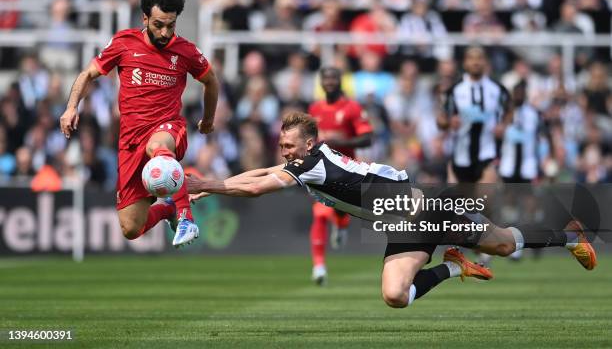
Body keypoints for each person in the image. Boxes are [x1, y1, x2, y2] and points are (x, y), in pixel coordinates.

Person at [186, 112, 597, 308]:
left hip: (429, 208)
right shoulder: (309, 162)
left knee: (504, 245)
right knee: (394, 295)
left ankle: (568, 237)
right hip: (404, 224)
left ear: (309, 144)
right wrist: (214, 184)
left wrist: (208, 184)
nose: (284, 150)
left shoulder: (311, 165)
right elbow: (261, 172)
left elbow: (258, 189)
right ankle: (455, 266)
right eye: (283, 143)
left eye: (289, 145)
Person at [60, 0, 219, 247]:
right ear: (145, 19)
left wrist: (208, 119)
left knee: (157, 147)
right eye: (158, 25)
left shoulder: (186, 51)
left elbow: (211, 81)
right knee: (131, 228)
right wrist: (71, 107)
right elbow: (88, 74)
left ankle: (186, 218)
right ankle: (169, 210)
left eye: (171, 25)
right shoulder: (124, 43)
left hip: (167, 128)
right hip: (130, 140)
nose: (165, 32)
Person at [307, 66, 373, 285]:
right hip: (321, 170)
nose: (330, 82)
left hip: (346, 170)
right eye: (326, 78)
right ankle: (319, 267)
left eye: (334, 78)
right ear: (321, 82)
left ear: (340, 81)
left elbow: (367, 138)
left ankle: (342, 224)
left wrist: (340, 143)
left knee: (340, 211)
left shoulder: (352, 107)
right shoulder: (314, 109)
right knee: (319, 214)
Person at [437, 46, 511, 184]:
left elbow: (510, 111)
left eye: (479, 58)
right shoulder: (455, 90)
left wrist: (503, 125)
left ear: (486, 62)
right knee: (465, 202)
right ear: (465, 63)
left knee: (484, 199)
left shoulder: (497, 89)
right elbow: (441, 119)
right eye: (471, 58)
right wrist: (448, 123)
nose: (475, 62)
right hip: (461, 154)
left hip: (488, 153)